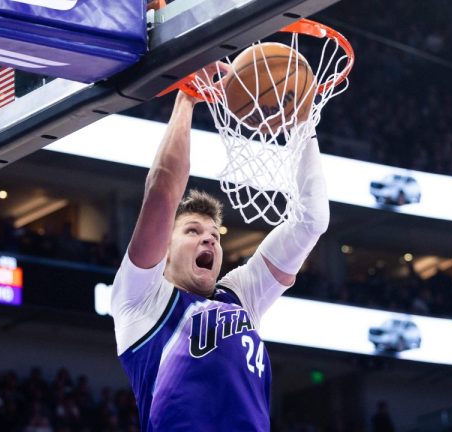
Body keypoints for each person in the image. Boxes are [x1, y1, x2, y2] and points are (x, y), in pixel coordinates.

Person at [110, 66, 330, 431]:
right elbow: (164, 191)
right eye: (192, 231)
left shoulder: (240, 295)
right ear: (164, 249)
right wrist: (187, 97)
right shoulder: (140, 298)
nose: (209, 238)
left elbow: (311, 222)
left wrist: (303, 127)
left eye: (214, 233)